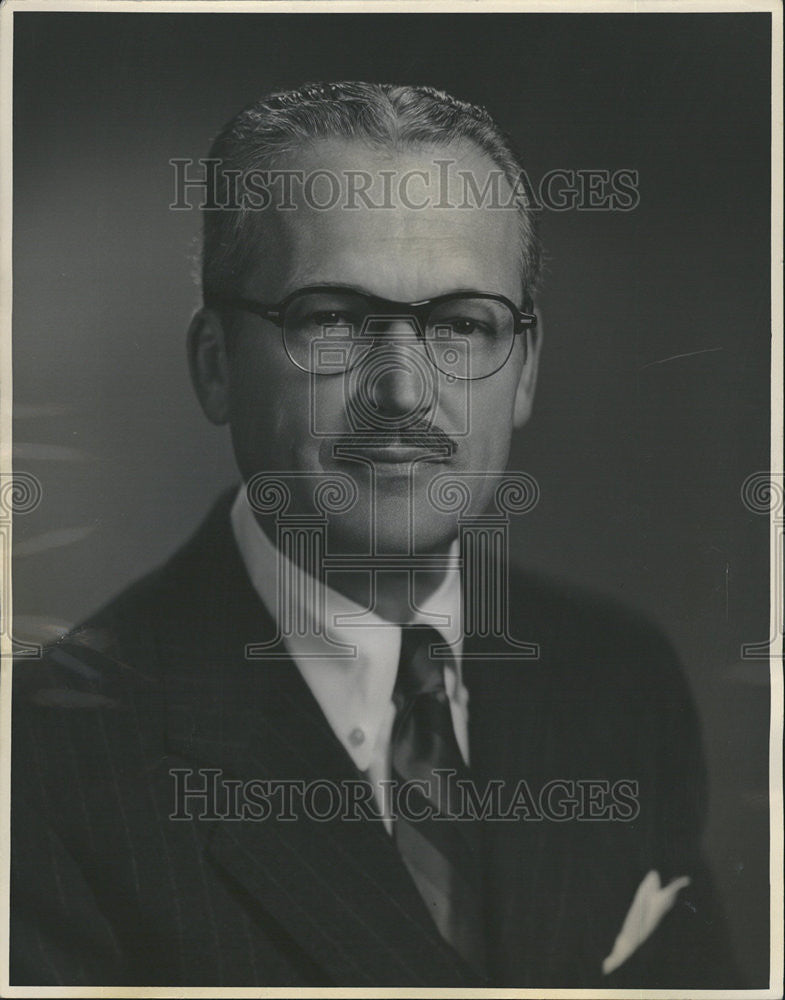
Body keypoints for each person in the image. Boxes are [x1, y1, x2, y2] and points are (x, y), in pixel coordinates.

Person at [10, 81, 740, 989]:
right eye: (332, 321)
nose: (401, 393)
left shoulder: (619, 679)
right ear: (215, 366)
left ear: (522, 372)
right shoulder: (42, 767)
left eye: (462, 326)